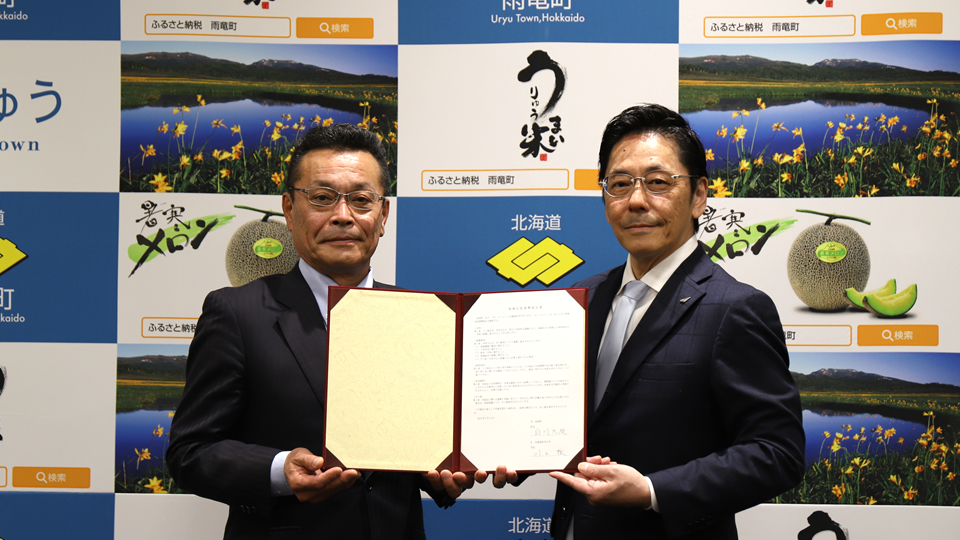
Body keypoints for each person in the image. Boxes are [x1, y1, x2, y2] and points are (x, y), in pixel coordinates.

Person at [167, 123, 470, 540]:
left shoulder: (421, 317)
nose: (343, 216)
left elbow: (416, 443)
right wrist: (279, 470)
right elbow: (190, 451)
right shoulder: (236, 313)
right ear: (290, 210)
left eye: (361, 200)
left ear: (383, 215)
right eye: (323, 198)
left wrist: (443, 471)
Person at [544, 104, 805, 539]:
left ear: (699, 195)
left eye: (658, 183)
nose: (636, 201)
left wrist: (652, 491)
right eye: (620, 184)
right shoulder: (580, 299)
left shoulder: (735, 308)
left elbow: (777, 454)